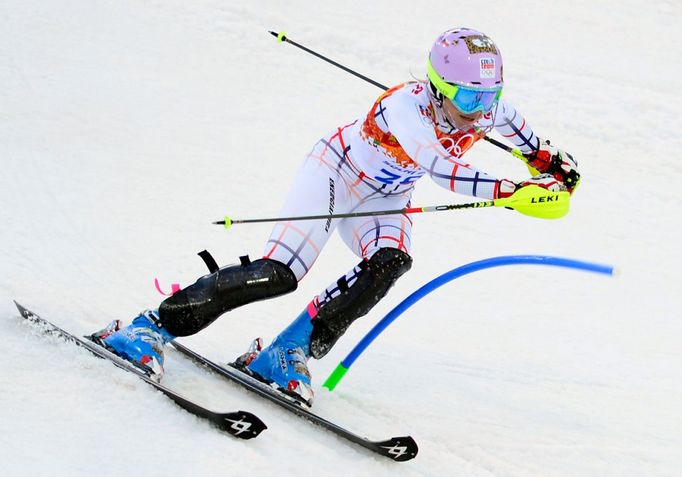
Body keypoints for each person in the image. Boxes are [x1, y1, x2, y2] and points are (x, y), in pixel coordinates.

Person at [91, 27, 579, 406]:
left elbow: (530, 143)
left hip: (385, 194)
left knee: (391, 262)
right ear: (438, 86)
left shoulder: (490, 110)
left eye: (489, 97)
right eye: (469, 99)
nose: (480, 112)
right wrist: (513, 192)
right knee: (280, 274)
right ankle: (149, 327)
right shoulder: (407, 107)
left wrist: (554, 167)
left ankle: (286, 352)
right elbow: (440, 167)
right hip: (336, 173)